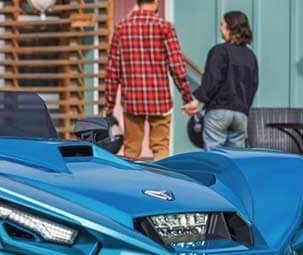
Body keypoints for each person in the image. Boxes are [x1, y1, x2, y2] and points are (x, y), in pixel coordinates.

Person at [104, 0, 194, 160]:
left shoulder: (121, 28)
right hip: (160, 100)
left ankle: (131, 184)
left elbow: (112, 71)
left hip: (132, 101)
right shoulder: (165, 27)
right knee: (161, 150)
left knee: (131, 151)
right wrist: (187, 98)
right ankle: (162, 183)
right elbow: (177, 67)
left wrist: (109, 106)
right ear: (156, 1)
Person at [187, 11, 258, 150]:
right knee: (237, 158)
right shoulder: (250, 56)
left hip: (218, 112)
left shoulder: (219, 51)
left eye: (222, 25)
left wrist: (197, 99)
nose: (220, 28)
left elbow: (212, 80)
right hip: (240, 114)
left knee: (214, 156)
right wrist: (243, 108)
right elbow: (253, 85)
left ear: (230, 28)